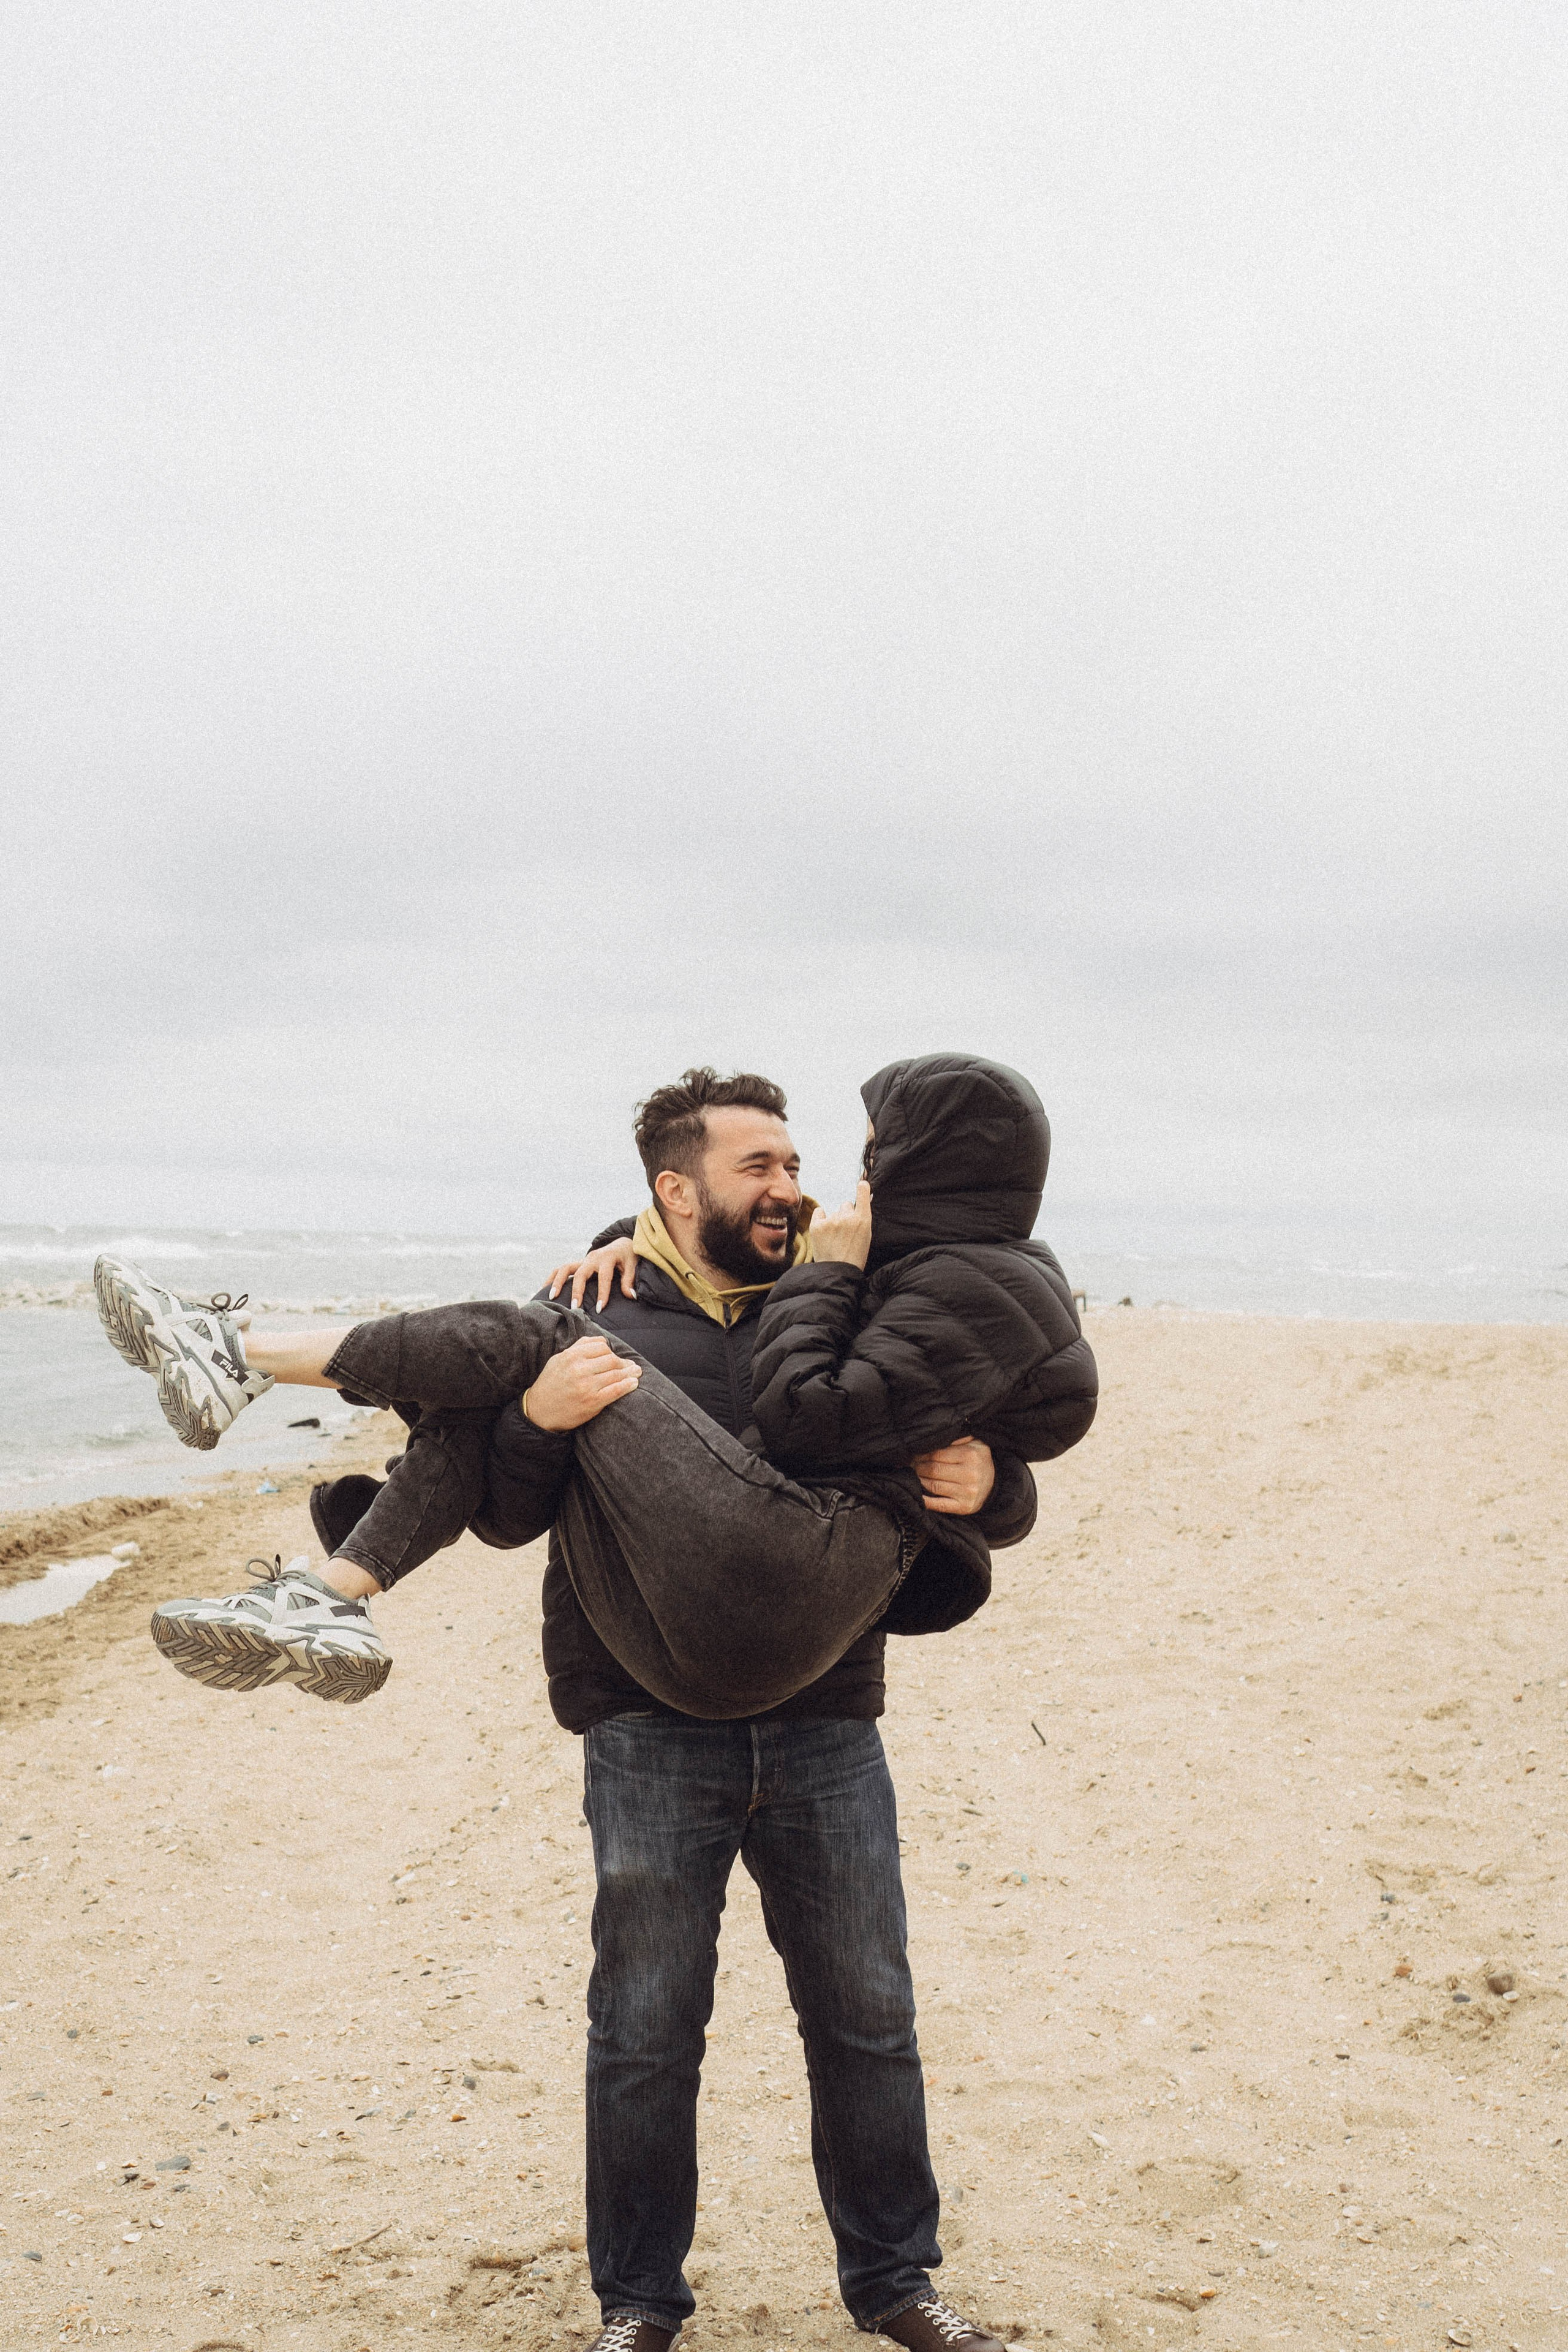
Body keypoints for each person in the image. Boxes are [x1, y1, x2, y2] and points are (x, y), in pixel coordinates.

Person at [106, 1063, 1096, 2352]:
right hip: (642, 1712)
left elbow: (956, 1428)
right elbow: (510, 1513)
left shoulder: (846, 1296)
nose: (791, 1190)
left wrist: (996, 1484)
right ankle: (638, 2301)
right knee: (643, 2027)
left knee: (867, 2017)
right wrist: (531, 1417)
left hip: (826, 1712)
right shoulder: (600, 1302)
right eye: (759, 1169)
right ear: (675, 1192)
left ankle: (896, 2283)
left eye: (797, 1165)